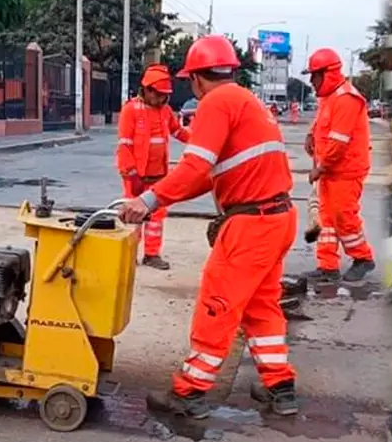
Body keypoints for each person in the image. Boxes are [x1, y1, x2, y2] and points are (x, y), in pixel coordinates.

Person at [120, 36, 298, 418]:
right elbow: (208, 176)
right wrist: (158, 198)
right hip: (278, 217)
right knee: (261, 305)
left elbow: (194, 168)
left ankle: (190, 392)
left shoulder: (216, 103)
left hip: (252, 224)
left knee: (217, 304)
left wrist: (147, 200)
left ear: (198, 79)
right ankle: (281, 388)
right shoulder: (247, 101)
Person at [303, 48, 376, 283]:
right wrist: (310, 135)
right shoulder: (330, 98)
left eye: (314, 76)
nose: (312, 82)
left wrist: (320, 168)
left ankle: (363, 258)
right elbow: (321, 125)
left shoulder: (346, 99)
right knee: (327, 218)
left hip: (345, 170)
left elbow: (338, 142)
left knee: (344, 216)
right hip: (332, 170)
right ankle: (327, 266)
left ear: (328, 73)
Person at [116, 64, 191, 271]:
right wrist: (131, 175)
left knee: (156, 217)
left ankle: (152, 254)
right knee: (134, 215)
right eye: (158, 95)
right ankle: (129, 254)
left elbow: (178, 132)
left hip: (158, 175)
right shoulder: (131, 110)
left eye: (164, 95)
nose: (161, 99)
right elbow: (125, 145)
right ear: (147, 90)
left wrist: (200, 140)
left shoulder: (165, 111)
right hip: (135, 175)